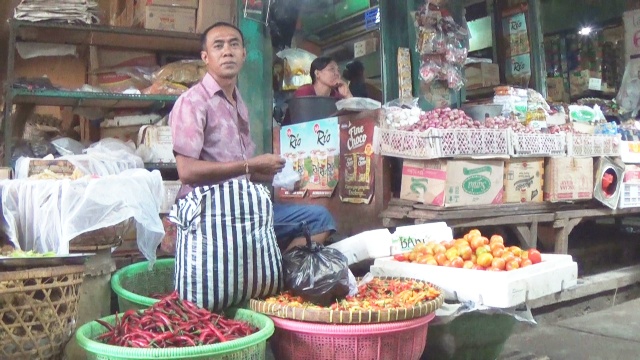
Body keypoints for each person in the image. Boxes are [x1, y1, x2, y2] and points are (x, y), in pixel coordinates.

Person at [169, 22, 336, 254]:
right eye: (218, 46)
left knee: (320, 220)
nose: (227, 51)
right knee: (317, 221)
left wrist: (275, 175)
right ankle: (270, 270)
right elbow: (186, 171)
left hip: (244, 205)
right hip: (210, 211)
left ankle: (272, 272)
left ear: (244, 54)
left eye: (234, 44)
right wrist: (251, 165)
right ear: (206, 57)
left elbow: (242, 171)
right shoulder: (193, 102)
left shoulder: (238, 102)